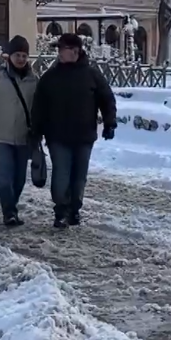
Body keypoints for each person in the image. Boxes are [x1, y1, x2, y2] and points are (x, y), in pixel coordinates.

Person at [31, 33, 117, 229]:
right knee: (61, 174)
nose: (59, 52)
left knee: (79, 177)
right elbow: (39, 106)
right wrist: (36, 131)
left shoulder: (92, 75)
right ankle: (61, 210)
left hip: (84, 136)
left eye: (62, 49)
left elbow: (107, 99)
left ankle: (74, 209)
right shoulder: (50, 77)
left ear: (75, 51)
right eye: (59, 49)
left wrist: (110, 123)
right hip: (57, 136)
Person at [0, 36, 39, 226]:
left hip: (23, 136)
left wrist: (39, 130)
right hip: (0, 136)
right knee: (5, 176)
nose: (21, 59)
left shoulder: (34, 80)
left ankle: (12, 207)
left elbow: (40, 107)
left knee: (19, 179)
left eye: (24, 55)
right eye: (17, 55)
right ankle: (9, 213)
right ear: (9, 56)